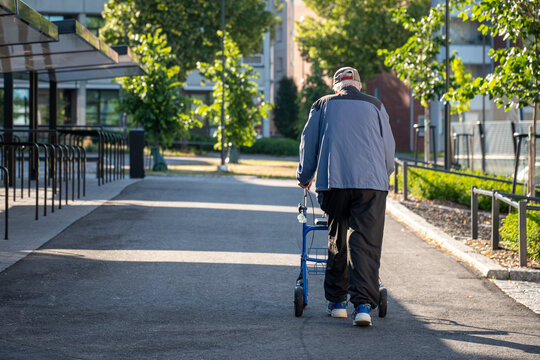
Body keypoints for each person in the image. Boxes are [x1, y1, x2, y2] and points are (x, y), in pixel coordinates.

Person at [296, 66, 395, 326]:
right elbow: (388, 149)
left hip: (334, 182)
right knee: (365, 243)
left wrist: (304, 176)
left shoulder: (322, 105)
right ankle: (362, 306)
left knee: (337, 237)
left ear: (336, 86)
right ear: (359, 85)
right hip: (371, 185)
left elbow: (309, 142)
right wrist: (385, 175)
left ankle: (337, 302)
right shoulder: (376, 105)